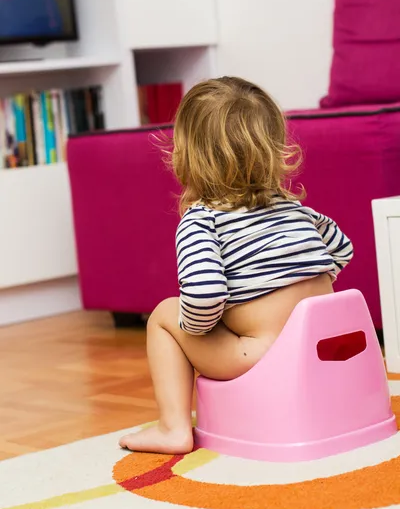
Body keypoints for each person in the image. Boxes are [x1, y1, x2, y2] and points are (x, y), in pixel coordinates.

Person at [119, 77, 353, 454]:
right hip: (321, 343)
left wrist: (200, 330)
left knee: (164, 315)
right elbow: (342, 249)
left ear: (187, 156)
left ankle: (173, 428)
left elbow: (206, 294)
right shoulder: (296, 209)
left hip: (261, 353)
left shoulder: (202, 220)